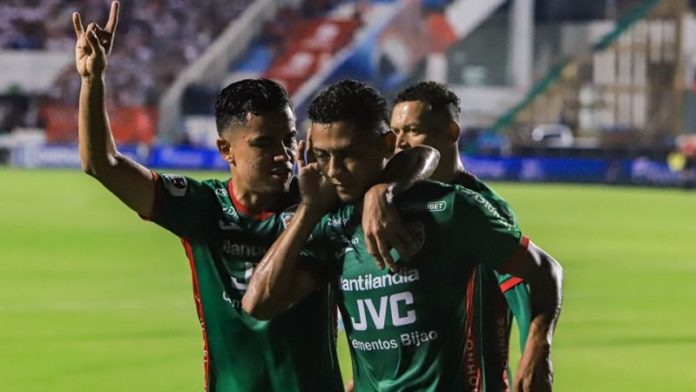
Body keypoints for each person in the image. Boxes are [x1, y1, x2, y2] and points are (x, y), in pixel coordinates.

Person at [72, 3, 437, 390]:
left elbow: (422, 155)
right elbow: (102, 163)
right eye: (264, 144)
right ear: (226, 150)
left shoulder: (322, 193)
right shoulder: (201, 207)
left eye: (289, 138)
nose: (282, 154)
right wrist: (93, 80)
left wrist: (384, 189)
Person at [243, 80, 563, 392]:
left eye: (348, 154)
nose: (335, 171)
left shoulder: (449, 208)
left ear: (385, 145)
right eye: (323, 156)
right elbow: (259, 304)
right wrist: (308, 211)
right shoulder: (331, 224)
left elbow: (542, 272)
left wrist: (537, 348)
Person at [389, 81, 532, 391]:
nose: (399, 143)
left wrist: (533, 356)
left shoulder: (485, 207)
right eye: (395, 132)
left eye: (412, 130)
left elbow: (526, 293)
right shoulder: (400, 206)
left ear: (451, 133)